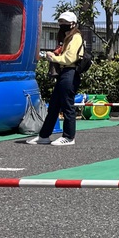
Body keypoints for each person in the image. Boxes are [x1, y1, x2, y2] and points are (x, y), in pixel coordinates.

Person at [27, 11, 83, 146]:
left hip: (70, 72)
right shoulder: (67, 37)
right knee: (54, 106)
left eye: (65, 22)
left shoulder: (76, 37)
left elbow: (70, 58)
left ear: (73, 24)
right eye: (60, 22)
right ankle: (44, 135)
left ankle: (69, 137)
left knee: (67, 105)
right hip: (64, 73)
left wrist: (53, 58)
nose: (62, 24)